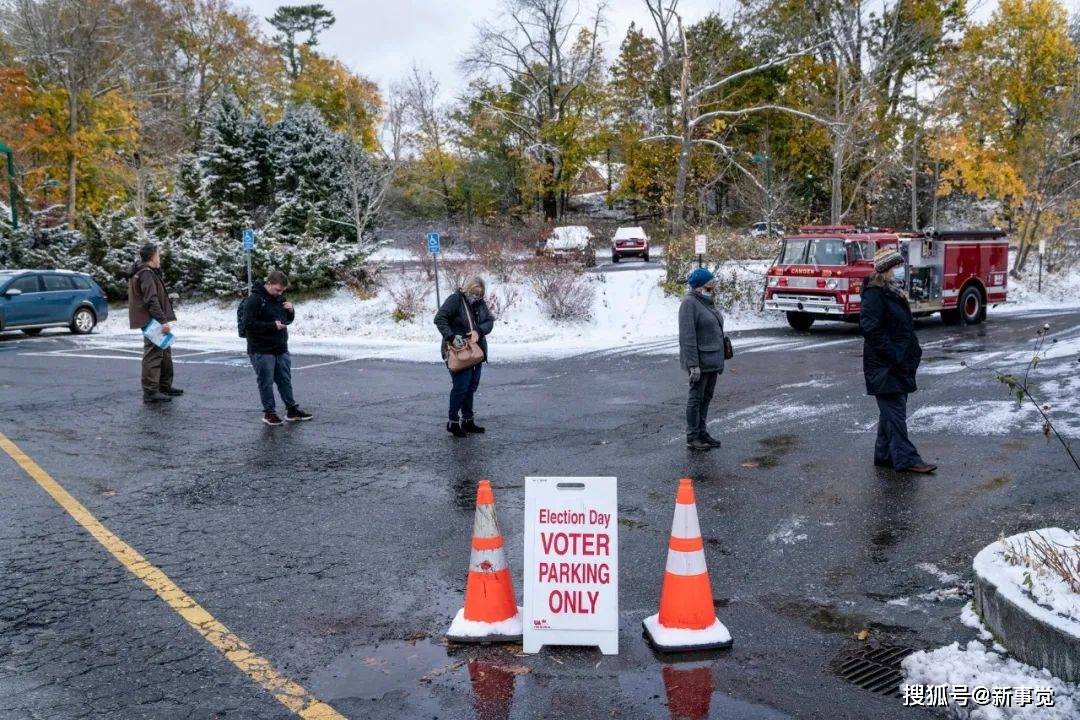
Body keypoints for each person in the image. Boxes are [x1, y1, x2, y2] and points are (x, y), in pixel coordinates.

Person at [860, 247, 936, 474]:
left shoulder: (891, 290)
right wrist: (894, 355)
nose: (900, 270)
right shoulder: (875, 294)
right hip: (886, 365)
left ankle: (884, 455)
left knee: (891, 411)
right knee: (895, 412)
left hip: (895, 363)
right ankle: (906, 458)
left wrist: (912, 351)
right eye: (896, 266)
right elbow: (871, 328)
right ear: (886, 269)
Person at [241, 270, 313, 426]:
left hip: (280, 347)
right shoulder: (254, 300)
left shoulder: (280, 298)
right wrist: (272, 326)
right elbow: (248, 324)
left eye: (282, 291)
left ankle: (292, 410)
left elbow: (286, 320)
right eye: (277, 290)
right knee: (265, 382)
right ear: (268, 283)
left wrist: (291, 311)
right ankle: (269, 413)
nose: (279, 293)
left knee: (285, 380)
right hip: (261, 349)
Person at [434, 277, 494, 437]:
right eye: (474, 294)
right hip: (458, 351)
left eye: (479, 295)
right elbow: (440, 318)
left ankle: (468, 420)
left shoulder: (480, 303)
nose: (476, 298)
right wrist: (451, 337)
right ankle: (453, 422)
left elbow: (489, 321)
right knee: (461, 387)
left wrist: (478, 331)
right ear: (468, 290)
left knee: (471, 387)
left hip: (476, 351)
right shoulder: (455, 300)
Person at [679, 267, 726, 452]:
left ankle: (702, 432)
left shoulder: (706, 301)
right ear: (701, 285)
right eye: (710, 282)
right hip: (700, 362)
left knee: (706, 397)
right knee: (696, 398)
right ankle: (692, 436)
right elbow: (687, 337)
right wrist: (693, 365)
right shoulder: (689, 304)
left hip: (713, 360)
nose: (713, 284)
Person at [127, 243, 180, 404]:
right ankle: (151, 391)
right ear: (152, 256)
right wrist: (162, 321)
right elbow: (151, 299)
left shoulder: (145, 272)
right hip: (151, 320)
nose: (160, 258)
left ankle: (164, 386)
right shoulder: (145, 274)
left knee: (164, 351)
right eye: (158, 255)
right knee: (154, 354)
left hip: (153, 318)